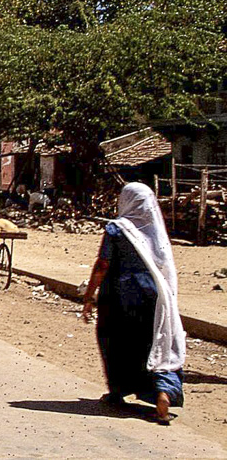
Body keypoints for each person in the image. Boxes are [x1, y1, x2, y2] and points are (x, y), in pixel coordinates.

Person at [81, 182, 185, 425]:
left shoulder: (116, 229)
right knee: (154, 342)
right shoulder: (155, 230)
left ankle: (117, 392)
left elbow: (103, 264)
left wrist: (89, 296)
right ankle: (163, 392)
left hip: (119, 295)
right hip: (153, 295)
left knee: (115, 341)